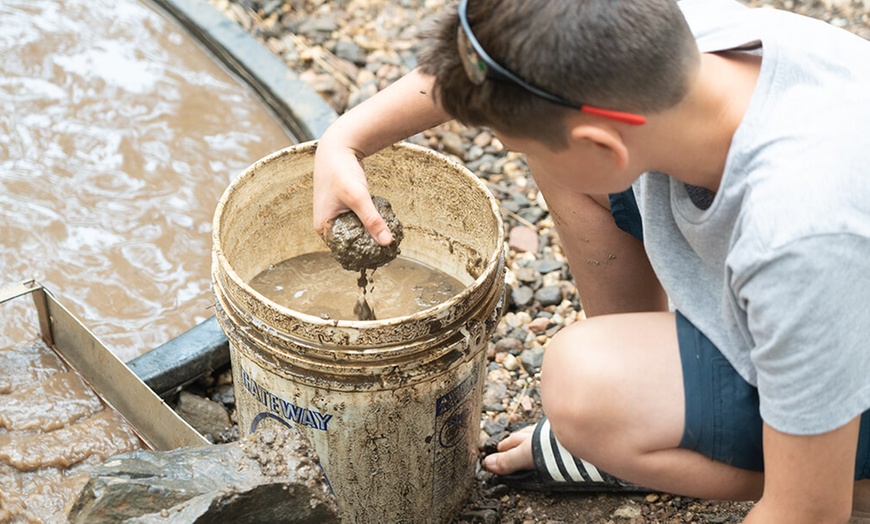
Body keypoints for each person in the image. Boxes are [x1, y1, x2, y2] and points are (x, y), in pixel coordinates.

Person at [312, 0, 870, 521]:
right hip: (824, 303)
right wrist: (345, 139)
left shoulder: (798, 234)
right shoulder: (666, 38)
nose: (511, 149)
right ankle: (646, 411)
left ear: (604, 146)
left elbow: (808, 515)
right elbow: (501, 63)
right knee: (554, 154)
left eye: (507, 141)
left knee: (584, 389)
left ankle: (852, 480)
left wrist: (808, 493)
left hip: (843, 363)